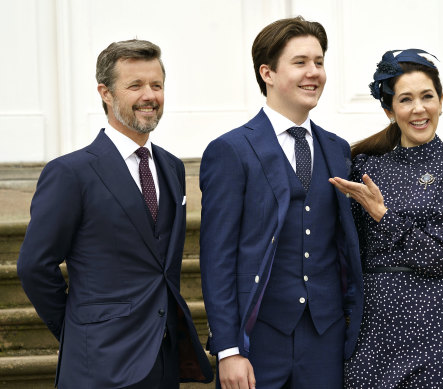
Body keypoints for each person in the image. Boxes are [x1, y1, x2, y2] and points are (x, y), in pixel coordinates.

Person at [17, 39, 213, 388]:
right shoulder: (70, 173)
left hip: (165, 359)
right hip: (99, 365)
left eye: (156, 85)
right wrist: (80, 331)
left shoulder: (171, 168)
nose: (149, 95)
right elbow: (34, 266)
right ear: (106, 93)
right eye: (135, 85)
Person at [199, 16, 363, 389]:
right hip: (259, 342)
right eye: (300, 62)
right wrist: (228, 349)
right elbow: (216, 257)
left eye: (319, 62)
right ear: (267, 73)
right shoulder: (230, 151)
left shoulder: (337, 150)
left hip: (327, 338)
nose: (314, 73)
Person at [329, 49, 443, 388]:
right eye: (405, 99)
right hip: (371, 323)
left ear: (441, 100)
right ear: (389, 110)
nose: (419, 109)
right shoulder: (365, 166)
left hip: (431, 322)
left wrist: (383, 215)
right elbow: (343, 244)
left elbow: (441, 257)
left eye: (427, 96)